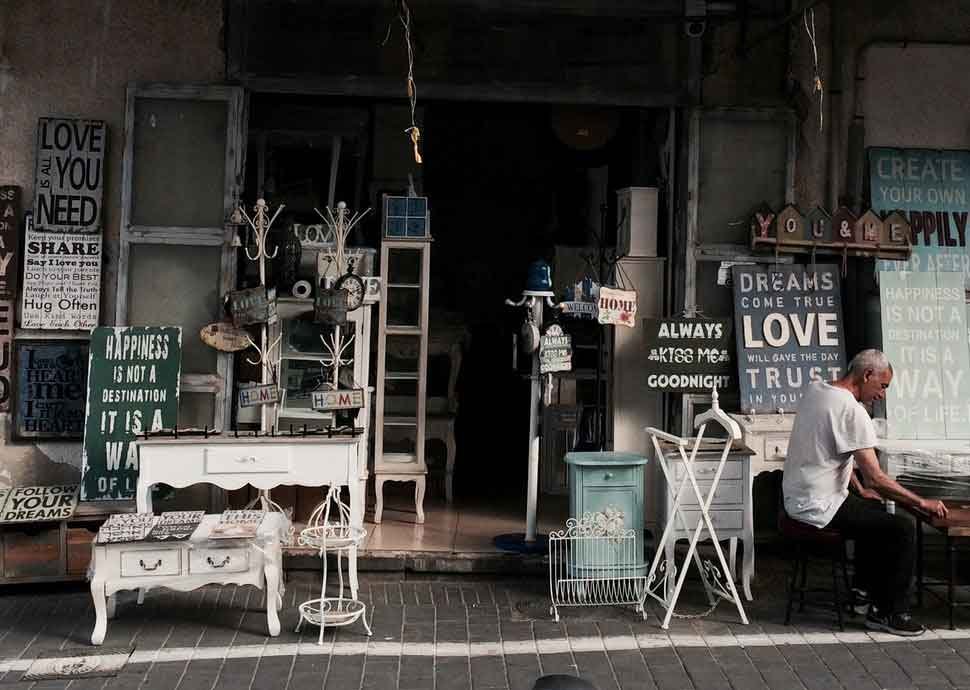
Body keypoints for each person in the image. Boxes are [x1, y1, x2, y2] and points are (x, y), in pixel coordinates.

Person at [783, 348, 947, 636]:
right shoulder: (852, 410)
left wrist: (858, 489)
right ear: (867, 374)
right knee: (902, 528)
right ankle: (889, 613)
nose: (882, 394)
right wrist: (922, 501)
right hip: (819, 505)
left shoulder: (816, 390)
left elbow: (831, 456)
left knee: (875, 511)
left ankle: (862, 592)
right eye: (882, 386)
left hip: (798, 497)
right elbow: (877, 479)